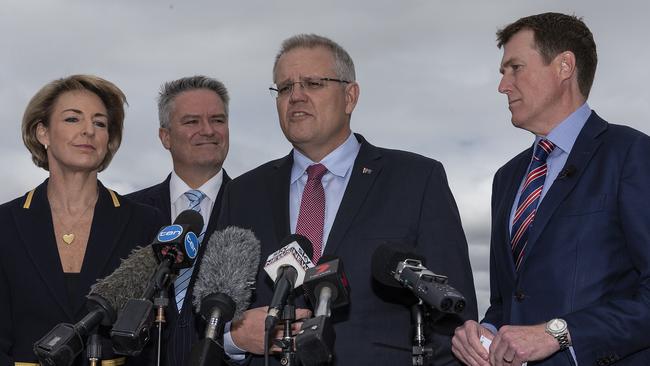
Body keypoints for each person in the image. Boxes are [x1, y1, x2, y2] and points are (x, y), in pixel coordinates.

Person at [217, 34, 478, 365]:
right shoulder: (242, 194)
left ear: (350, 96)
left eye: (312, 83)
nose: (296, 96)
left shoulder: (416, 180)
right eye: (284, 88)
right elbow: (215, 315)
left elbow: (454, 318)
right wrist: (235, 339)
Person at [451, 12, 650, 366]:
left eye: (515, 68)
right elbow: (506, 300)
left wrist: (559, 333)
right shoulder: (507, 178)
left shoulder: (631, 154)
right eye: (503, 73)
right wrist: (486, 333)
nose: (503, 85)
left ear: (564, 66)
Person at [0, 75, 164, 365]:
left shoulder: (145, 223)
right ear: (43, 133)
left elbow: (154, 339)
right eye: (73, 119)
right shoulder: (4, 223)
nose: (89, 130)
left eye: (100, 123)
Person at [127, 75, 231, 366]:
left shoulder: (256, 206)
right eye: (192, 122)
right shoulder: (128, 212)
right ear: (165, 136)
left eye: (218, 120)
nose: (208, 130)